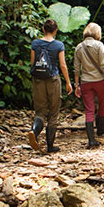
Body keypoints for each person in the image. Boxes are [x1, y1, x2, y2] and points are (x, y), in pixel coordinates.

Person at [28, 19, 73, 153]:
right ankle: (50, 146)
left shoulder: (35, 43)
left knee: (40, 111)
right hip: (53, 79)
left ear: (43, 29)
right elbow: (63, 65)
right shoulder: (59, 45)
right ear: (55, 30)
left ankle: (34, 131)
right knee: (53, 113)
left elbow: (32, 63)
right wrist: (68, 82)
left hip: (38, 79)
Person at [74, 22, 104, 148]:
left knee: (89, 110)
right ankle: (101, 129)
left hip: (86, 82)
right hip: (99, 81)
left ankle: (91, 140)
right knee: (102, 104)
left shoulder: (79, 47)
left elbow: (76, 68)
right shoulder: (99, 45)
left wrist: (77, 85)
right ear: (97, 33)